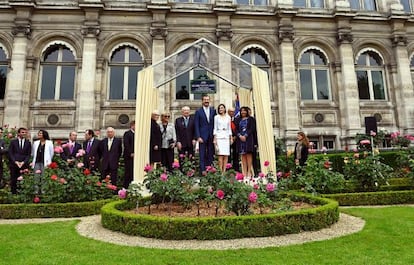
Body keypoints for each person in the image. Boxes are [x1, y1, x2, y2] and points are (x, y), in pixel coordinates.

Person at [194, 94, 216, 173]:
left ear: (209, 100)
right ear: (202, 101)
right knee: (202, 154)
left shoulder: (213, 111)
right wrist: (198, 136)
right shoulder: (198, 111)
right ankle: (203, 170)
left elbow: (215, 124)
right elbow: (196, 125)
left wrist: (214, 136)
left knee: (210, 153)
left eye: (207, 99)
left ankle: (210, 169)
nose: (206, 101)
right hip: (202, 136)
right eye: (205, 99)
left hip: (211, 135)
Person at [8, 127, 31, 194]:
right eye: (22, 132)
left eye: (25, 132)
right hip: (14, 164)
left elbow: (28, 154)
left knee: (23, 180)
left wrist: (23, 162)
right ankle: (13, 195)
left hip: (24, 164)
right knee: (13, 180)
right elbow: (10, 153)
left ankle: (22, 195)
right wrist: (15, 162)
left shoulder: (28, 143)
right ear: (18, 133)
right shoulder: (13, 142)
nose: (24, 134)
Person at [235, 106, 256, 178]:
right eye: (242, 111)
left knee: (248, 155)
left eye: (244, 111)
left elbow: (252, 128)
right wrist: (240, 136)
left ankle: (249, 172)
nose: (243, 112)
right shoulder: (238, 119)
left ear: (247, 112)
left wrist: (246, 135)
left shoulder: (251, 119)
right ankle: (244, 172)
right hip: (240, 139)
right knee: (243, 155)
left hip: (248, 139)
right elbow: (236, 129)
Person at [31, 129, 54, 193]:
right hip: (37, 162)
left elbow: (51, 153)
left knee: (44, 177)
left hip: (45, 162)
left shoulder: (49, 143)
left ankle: (43, 191)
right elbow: (33, 153)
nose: (39, 134)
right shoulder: (35, 143)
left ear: (44, 134)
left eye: (40, 133)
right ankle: (36, 192)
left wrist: (49, 160)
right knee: (36, 177)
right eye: (39, 133)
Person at [213, 104, 232, 173]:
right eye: (219, 108)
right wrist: (214, 138)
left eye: (222, 108)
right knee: (220, 155)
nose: (221, 109)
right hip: (219, 137)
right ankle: (220, 171)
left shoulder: (228, 117)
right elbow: (215, 128)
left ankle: (224, 171)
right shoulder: (216, 117)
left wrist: (231, 137)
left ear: (224, 109)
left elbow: (229, 128)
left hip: (226, 137)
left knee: (226, 155)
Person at [123, 120, 135, 188]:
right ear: (132, 125)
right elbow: (126, 144)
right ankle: (126, 187)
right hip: (129, 156)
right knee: (128, 172)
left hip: (136, 157)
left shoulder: (138, 134)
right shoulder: (127, 133)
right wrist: (130, 153)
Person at [227, 107, 239, 172]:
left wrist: (235, 136)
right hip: (227, 139)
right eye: (230, 112)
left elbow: (238, 128)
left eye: (232, 112)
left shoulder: (237, 119)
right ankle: (228, 168)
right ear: (228, 112)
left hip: (235, 139)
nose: (231, 113)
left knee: (235, 154)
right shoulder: (226, 119)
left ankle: (236, 168)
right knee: (228, 154)